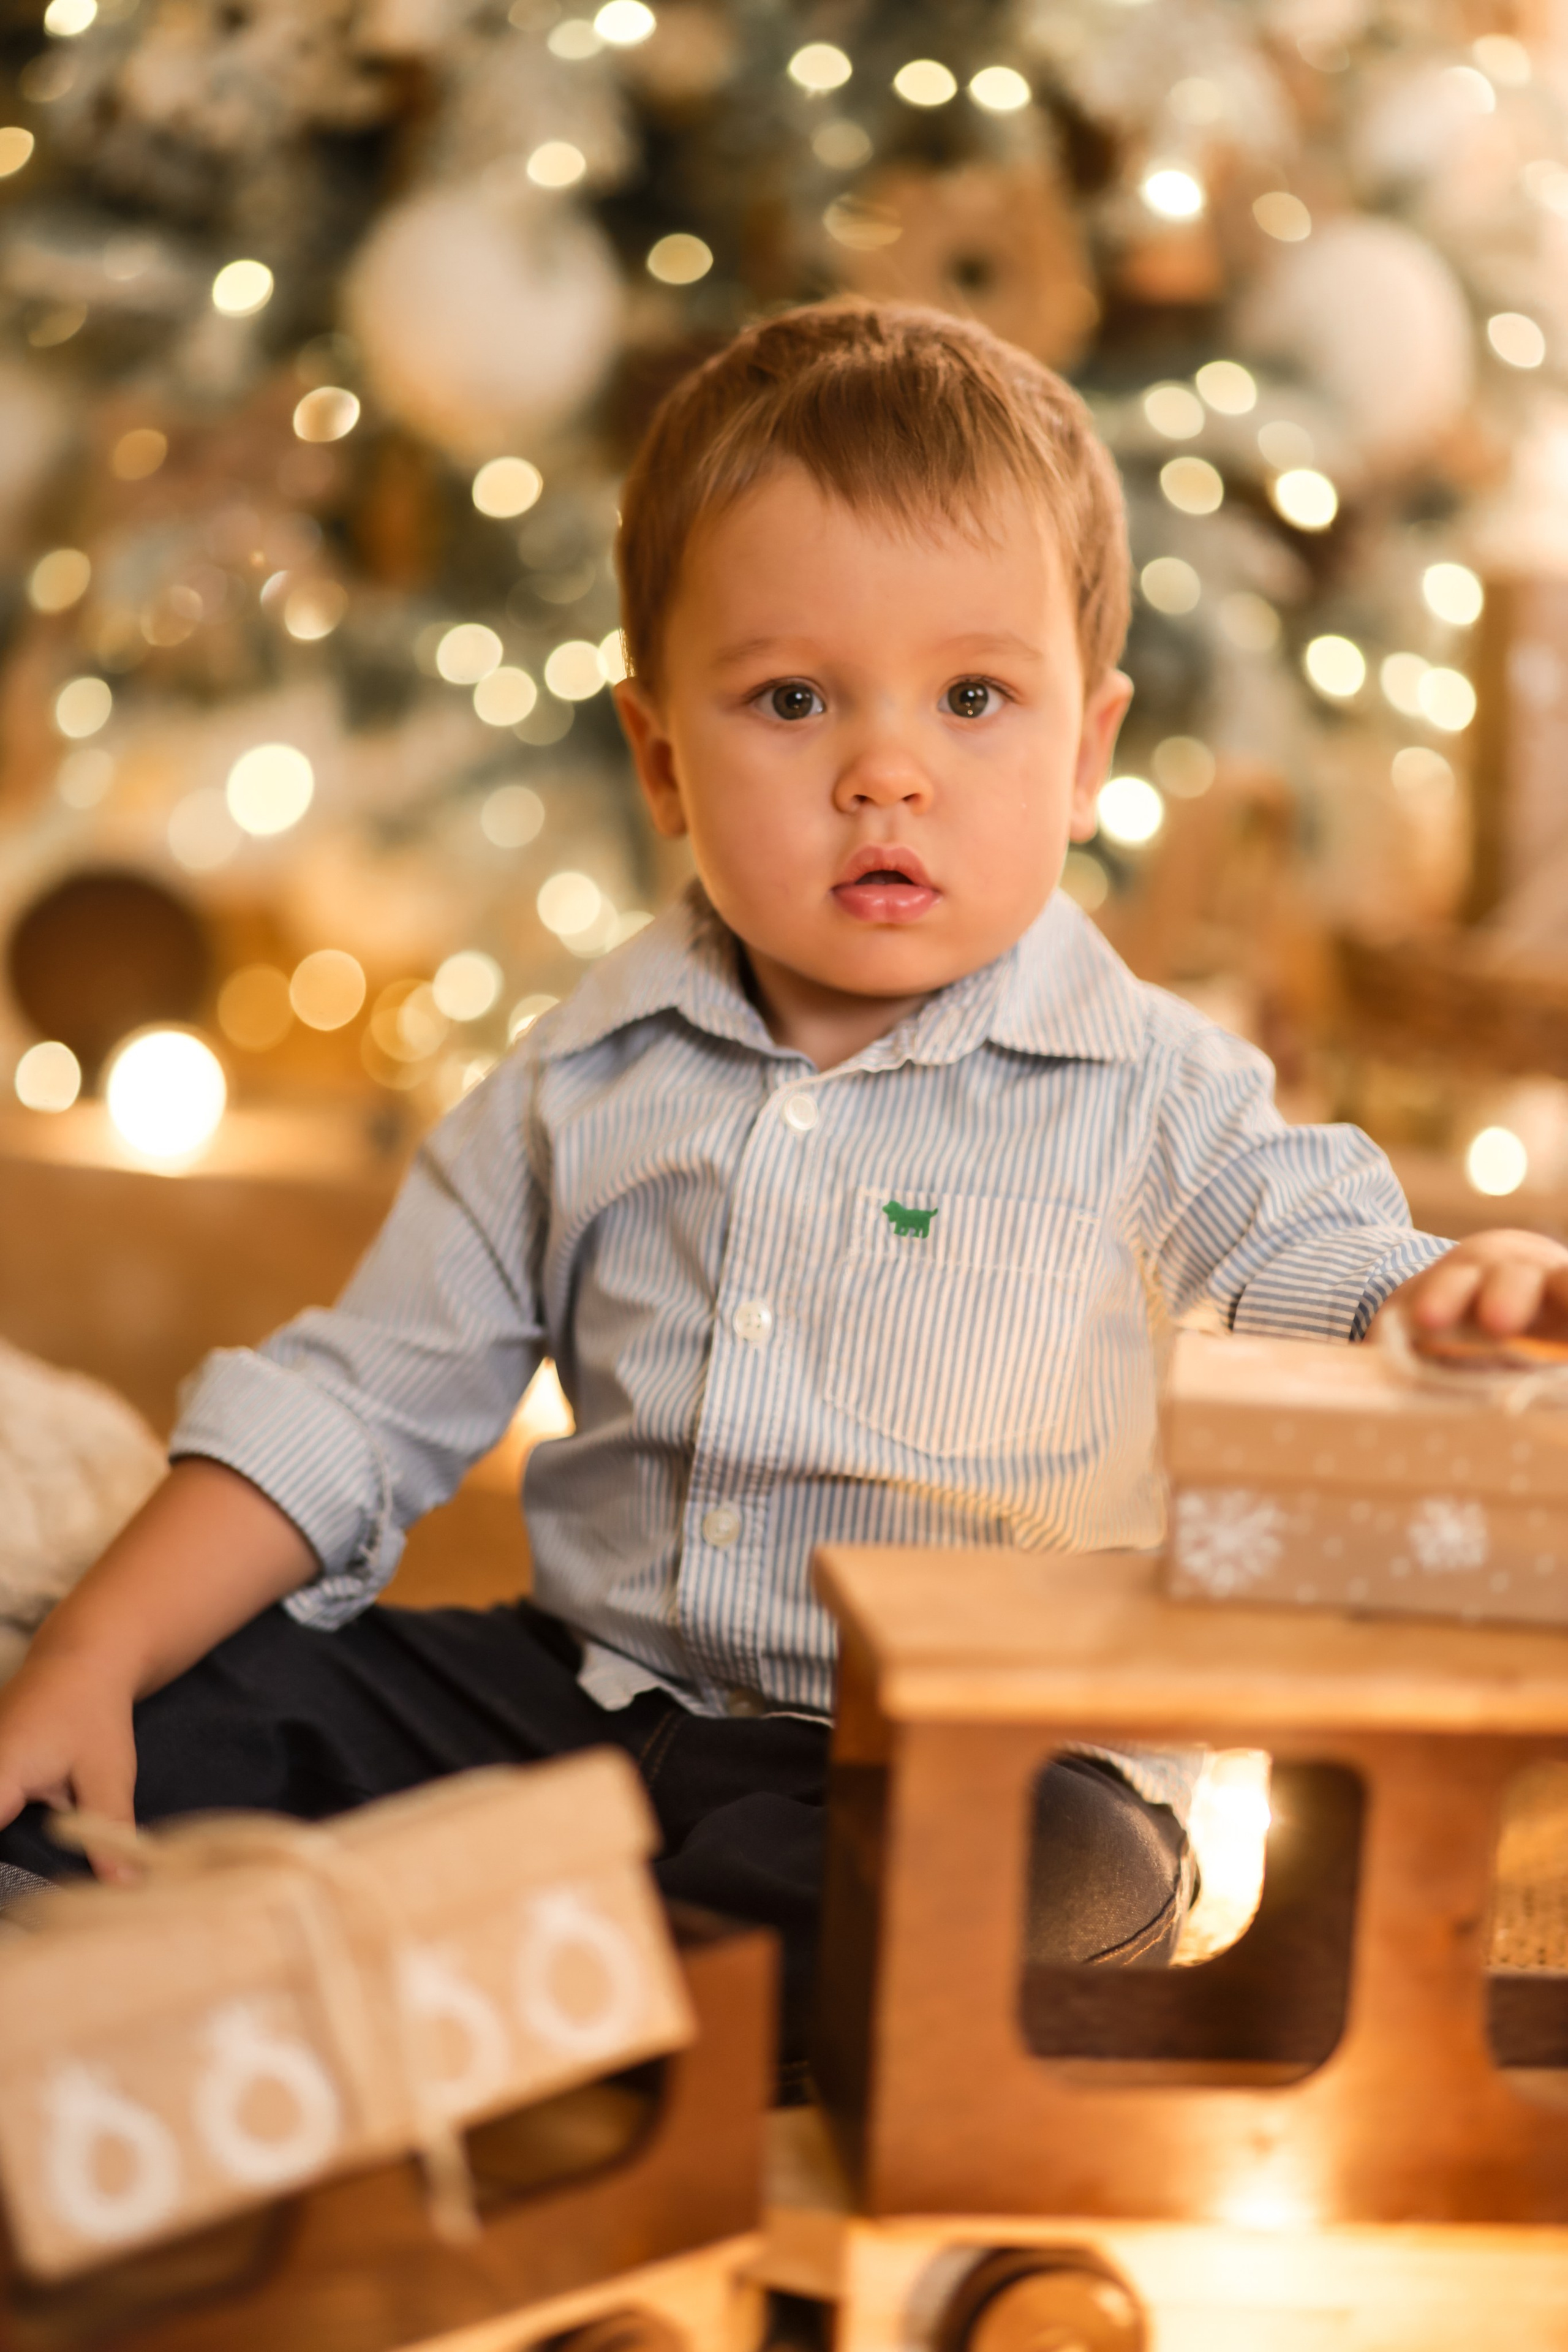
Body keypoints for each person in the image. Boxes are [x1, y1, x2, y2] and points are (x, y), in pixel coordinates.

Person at [1, 301, 1564, 2089]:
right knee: (224, 1703)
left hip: (987, 1759)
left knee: (978, 1891)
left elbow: (1314, 1244)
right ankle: (461, 1961)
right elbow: (363, 1396)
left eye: (974, 699)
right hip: (587, 1696)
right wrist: (107, 1656)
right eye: (792, 698)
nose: (883, 770)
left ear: (1086, 754)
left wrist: (1443, 1295)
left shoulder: (1154, 1088)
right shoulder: (587, 1075)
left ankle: (539, 1995)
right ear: (663, 756)